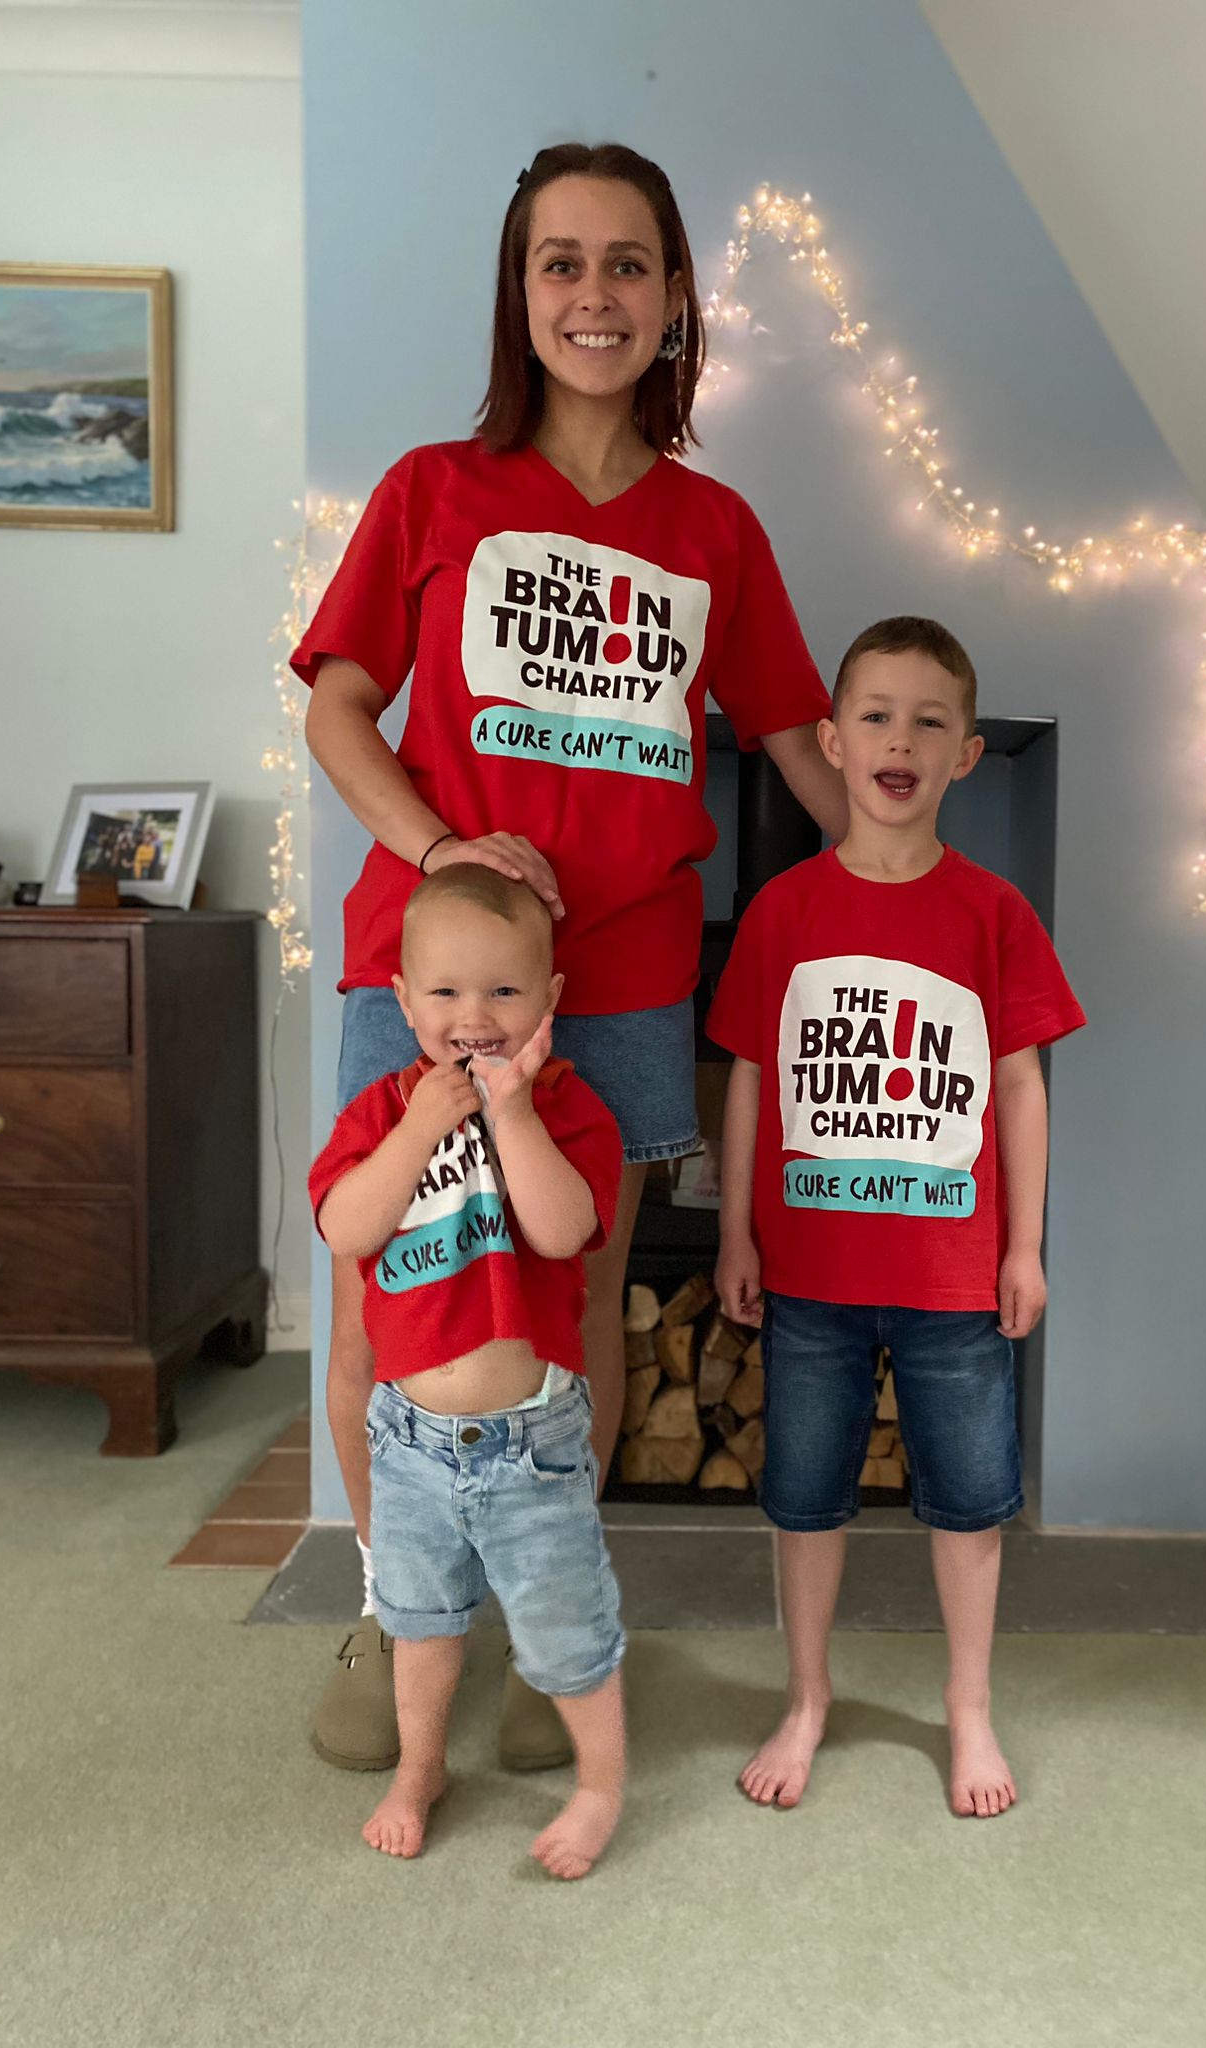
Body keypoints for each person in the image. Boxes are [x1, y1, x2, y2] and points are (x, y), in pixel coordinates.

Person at [297, 141, 844, 1774]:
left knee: (576, 1302)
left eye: (626, 264)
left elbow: (798, 736)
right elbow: (336, 702)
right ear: (517, 292)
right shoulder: (429, 492)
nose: (592, 295)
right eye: (559, 262)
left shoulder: (716, 529)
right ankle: (394, 1604)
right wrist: (433, 844)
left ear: (676, 299)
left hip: (618, 983)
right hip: (425, 973)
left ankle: (549, 1615)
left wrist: (900, 856)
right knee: (373, 1301)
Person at [708, 616, 1086, 1817]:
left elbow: (1022, 1083)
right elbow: (753, 1081)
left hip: (952, 1279)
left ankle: (967, 1706)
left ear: (967, 754)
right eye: (875, 714)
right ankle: (807, 1695)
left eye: (931, 719)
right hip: (810, 1271)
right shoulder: (781, 914)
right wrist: (733, 1231)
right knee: (805, 1492)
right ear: (831, 738)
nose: (900, 739)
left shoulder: (993, 913)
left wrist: (1024, 1244)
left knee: (971, 1497)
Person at [308, 864, 627, 1877]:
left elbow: (566, 1225)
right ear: (403, 1001)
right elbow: (344, 1224)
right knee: (420, 1618)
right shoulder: (379, 1117)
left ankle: (601, 1783)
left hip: (532, 1435)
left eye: (502, 991)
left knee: (568, 1624)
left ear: (548, 1001)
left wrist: (514, 1114)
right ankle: (421, 1766)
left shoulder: (572, 1112)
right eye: (444, 992)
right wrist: (416, 1128)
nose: (473, 1015)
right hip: (408, 1438)